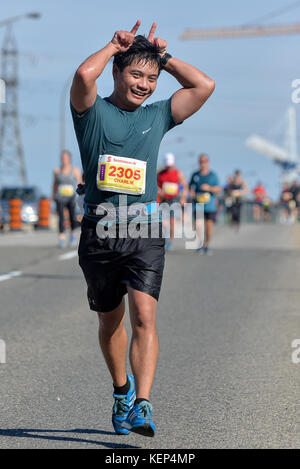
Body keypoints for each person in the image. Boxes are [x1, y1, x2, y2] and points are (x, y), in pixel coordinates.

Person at [70, 20, 215, 437]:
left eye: (151, 79)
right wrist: (113, 46)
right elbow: (83, 75)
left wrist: (162, 59)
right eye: (136, 74)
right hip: (99, 231)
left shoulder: (158, 116)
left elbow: (204, 86)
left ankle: (143, 404)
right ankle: (121, 391)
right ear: (116, 71)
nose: (144, 85)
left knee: (145, 317)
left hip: (145, 229)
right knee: (109, 321)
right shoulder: (91, 113)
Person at [189, 154, 221, 255]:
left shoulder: (213, 175)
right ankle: (199, 244)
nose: (203, 163)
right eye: (201, 161)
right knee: (198, 225)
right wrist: (192, 194)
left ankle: (207, 245)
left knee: (209, 226)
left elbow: (219, 189)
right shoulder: (195, 175)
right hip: (198, 204)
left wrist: (209, 188)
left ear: (208, 162)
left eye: (205, 161)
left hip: (210, 206)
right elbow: (190, 187)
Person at [157, 152, 189, 250]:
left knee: (172, 222)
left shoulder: (178, 173)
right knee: (163, 222)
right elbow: (156, 186)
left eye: (170, 165)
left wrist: (183, 197)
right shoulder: (160, 174)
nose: (169, 167)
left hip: (174, 200)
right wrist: (160, 191)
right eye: (168, 166)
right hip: (164, 200)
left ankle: (170, 241)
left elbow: (185, 187)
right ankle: (164, 239)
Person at [52, 150, 82, 247]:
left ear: (69, 158)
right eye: (62, 158)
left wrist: (82, 192)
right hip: (60, 197)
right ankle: (62, 238)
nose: (64, 160)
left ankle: (72, 236)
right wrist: (53, 194)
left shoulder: (75, 170)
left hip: (71, 198)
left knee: (72, 217)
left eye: (65, 158)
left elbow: (80, 183)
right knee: (61, 217)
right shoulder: (57, 170)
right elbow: (55, 184)